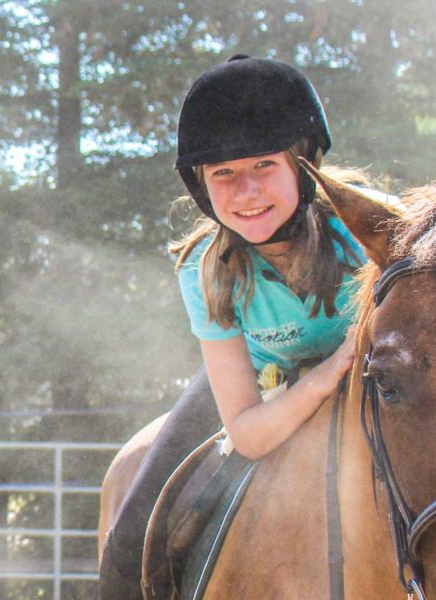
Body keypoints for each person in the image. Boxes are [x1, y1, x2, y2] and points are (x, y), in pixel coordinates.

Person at [98, 55, 381, 598]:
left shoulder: (368, 232)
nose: (245, 191)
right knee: (134, 529)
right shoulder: (203, 267)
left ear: (302, 164)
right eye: (223, 173)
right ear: (201, 186)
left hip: (373, 387)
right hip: (258, 387)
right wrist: (326, 374)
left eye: (263, 166)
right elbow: (247, 432)